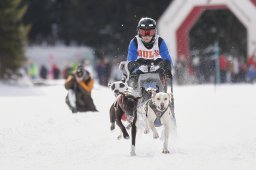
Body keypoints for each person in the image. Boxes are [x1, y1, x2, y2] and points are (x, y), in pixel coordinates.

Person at [123, 17, 173, 91]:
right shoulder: (135, 42)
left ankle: (166, 98)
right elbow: (130, 60)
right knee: (131, 88)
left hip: (157, 71)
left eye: (150, 32)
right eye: (143, 32)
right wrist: (133, 65)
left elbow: (167, 58)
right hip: (139, 72)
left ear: (155, 32)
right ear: (139, 32)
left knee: (166, 83)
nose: (146, 36)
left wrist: (165, 65)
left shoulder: (160, 42)